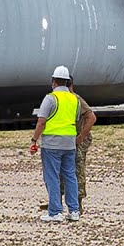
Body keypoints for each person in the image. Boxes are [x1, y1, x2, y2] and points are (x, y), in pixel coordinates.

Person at [29, 65, 83, 222]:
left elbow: (41, 121)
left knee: (52, 177)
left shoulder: (50, 98)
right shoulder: (75, 100)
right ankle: (74, 211)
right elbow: (76, 120)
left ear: (53, 81)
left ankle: (55, 212)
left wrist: (34, 140)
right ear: (67, 82)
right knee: (70, 176)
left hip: (52, 144)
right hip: (69, 144)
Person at [42, 76, 96, 213]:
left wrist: (81, 137)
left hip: (75, 141)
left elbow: (91, 117)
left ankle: (76, 204)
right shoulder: (65, 98)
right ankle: (57, 203)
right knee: (62, 173)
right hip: (66, 140)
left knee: (76, 171)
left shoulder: (75, 98)